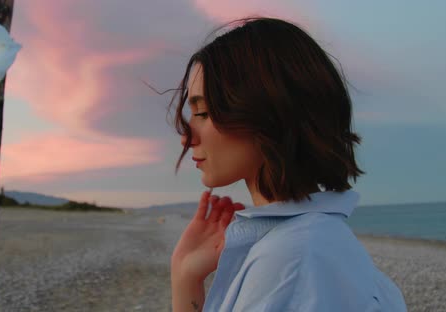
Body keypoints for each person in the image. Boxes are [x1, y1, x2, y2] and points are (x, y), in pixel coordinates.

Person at [169, 17, 407, 311]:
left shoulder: (291, 257)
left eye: (203, 112)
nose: (186, 138)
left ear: (268, 111)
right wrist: (185, 276)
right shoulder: (312, 239)